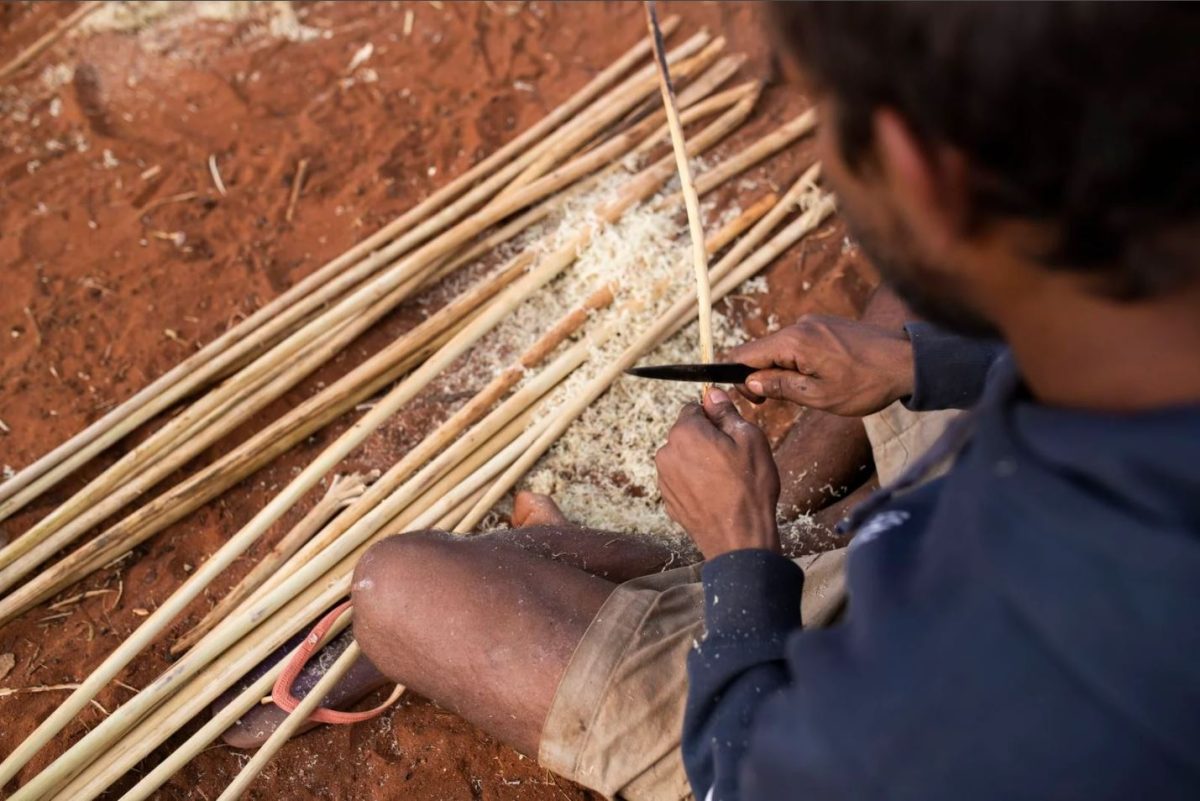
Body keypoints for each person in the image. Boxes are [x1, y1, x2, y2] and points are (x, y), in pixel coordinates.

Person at [245, 4, 1200, 799]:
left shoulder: (981, 670)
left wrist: (742, 565)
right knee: (911, 310)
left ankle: (758, 539)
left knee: (402, 590)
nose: (824, 159)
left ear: (923, 166)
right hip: (993, 542)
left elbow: (752, 769)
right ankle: (800, 521)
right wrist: (919, 368)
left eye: (821, 112)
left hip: (856, 686)